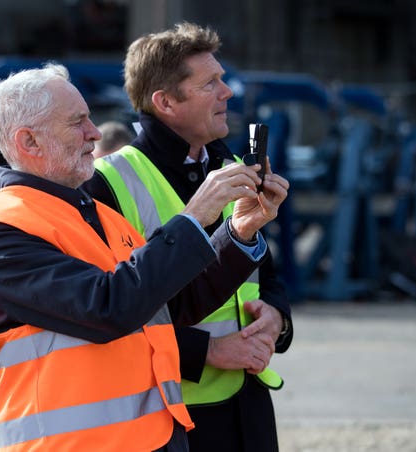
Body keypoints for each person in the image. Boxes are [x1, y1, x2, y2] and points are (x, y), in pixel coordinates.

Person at [0, 62, 287, 451]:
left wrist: (236, 233)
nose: (95, 133)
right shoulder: (1, 233)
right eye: (78, 123)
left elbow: (168, 307)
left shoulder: (96, 215)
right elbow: (109, 308)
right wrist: (192, 218)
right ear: (29, 142)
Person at [83, 22, 293, 452]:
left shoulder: (234, 165)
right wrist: (207, 352)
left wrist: (278, 319)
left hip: (248, 405)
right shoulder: (105, 183)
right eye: (210, 83)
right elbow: (108, 309)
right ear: (165, 102)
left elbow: (265, 274)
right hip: (169, 412)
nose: (227, 91)